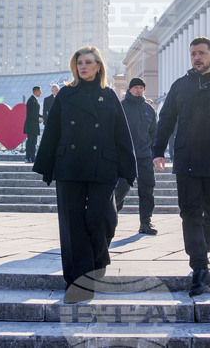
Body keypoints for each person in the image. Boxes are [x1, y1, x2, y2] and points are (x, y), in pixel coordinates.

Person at [33, 46, 136, 303]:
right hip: (70, 164)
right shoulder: (66, 94)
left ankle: (98, 260)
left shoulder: (109, 95)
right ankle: (78, 282)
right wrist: (46, 166)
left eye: (89, 62)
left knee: (102, 218)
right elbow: (52, 130)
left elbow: (121, 133)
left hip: (102, 164)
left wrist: (129, 169)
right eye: (79, 62)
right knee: (72, 225)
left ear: (99, 66)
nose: (83, 66)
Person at [152, 36, 210, 297]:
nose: (197, 57)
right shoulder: (180, 86)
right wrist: (158, 151)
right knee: (190, 214)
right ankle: (199, 267)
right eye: (193, 53)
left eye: (202, 53)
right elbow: (166, 120)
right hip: (187, 161)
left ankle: (202, 258)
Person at [114, 77, 159, 235]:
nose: (139, 90)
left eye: (141, 87)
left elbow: (153, 134)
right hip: (125, 157)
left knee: (147, 190)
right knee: (120, 189)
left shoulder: (149, 109)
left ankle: (145, 223)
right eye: (136, 87)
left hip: (144, 157)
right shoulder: (121, 107)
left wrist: (151, 152)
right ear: (130, 89)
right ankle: (111, 218)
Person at [24, 86, 42, 164]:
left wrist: (43, 117)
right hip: (31, 125)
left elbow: (36, 114)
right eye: (39, 91)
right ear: (36, 91)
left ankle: (32, 157)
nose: (40, 92)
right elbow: (30, 114)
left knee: (34, 143)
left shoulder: (35, 100)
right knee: (30, 142)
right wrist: (38, 119)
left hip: (34, 126)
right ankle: (28, 157)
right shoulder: (31, 100)